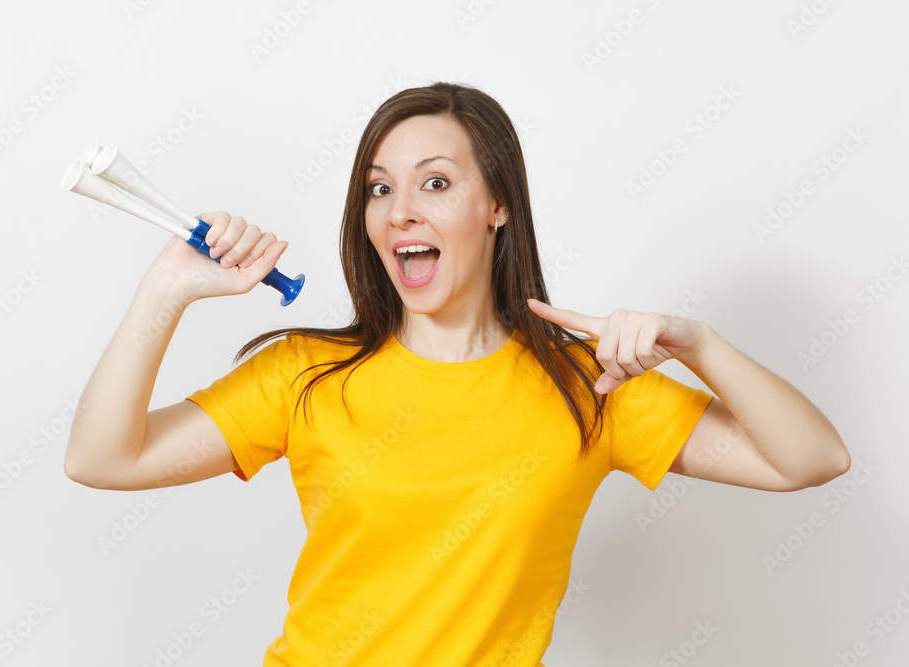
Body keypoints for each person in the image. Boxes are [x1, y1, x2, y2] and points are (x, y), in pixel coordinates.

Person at [64, 81, 851, 666]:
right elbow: (102, 459)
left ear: (497, 204)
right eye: (380, 187)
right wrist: (167, 288)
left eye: (435, 182)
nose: (400, 209)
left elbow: (812, 459)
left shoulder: (592, 385)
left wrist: (699, 344)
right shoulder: (305, 375)